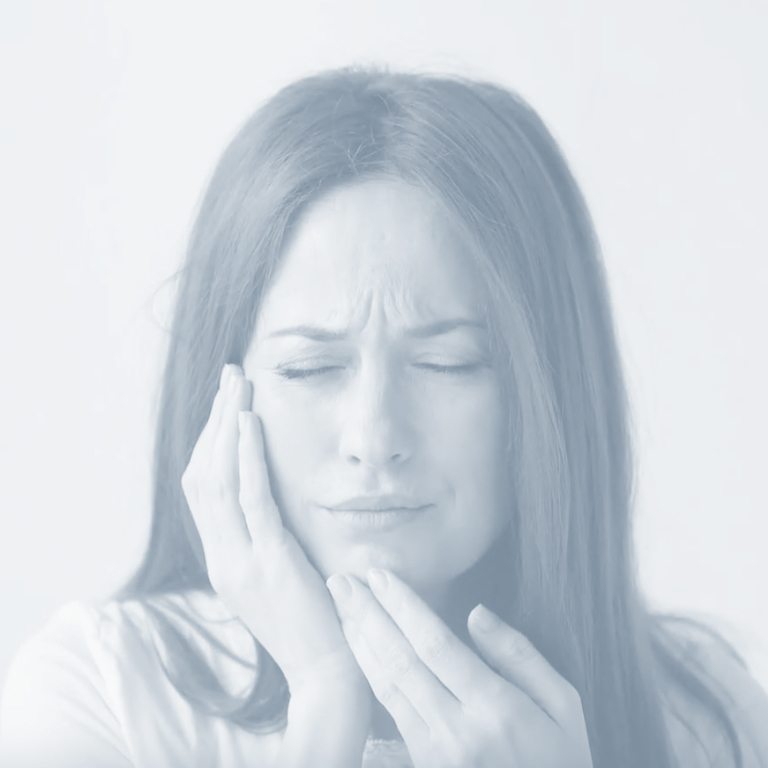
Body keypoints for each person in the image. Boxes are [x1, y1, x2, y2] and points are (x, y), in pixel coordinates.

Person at [1, 67, 766, 768]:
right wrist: (325, 699)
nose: (373, 440)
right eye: (309, 369)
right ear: (226, 393)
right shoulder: (98, 698)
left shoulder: (708, 718)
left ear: (549, 393)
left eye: (448, 364)